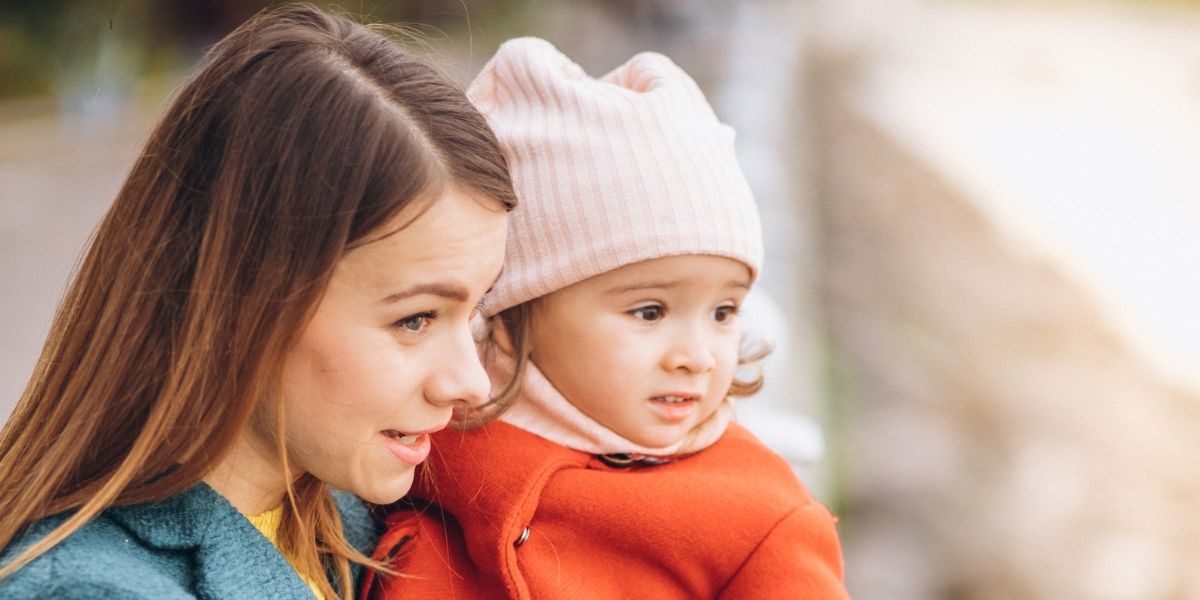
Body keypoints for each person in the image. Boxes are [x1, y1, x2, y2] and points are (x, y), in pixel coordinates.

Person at [0, 4, 517, 599]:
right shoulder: (90, 588)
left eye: (476, 310)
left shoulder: (367, 522)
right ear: (248, 302)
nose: (472, 384)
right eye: (416, 319)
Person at [368, 37, 849, 598]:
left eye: (724, 312)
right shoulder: (421, 441)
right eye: (649, 311)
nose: (695, 357)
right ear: (512, 310)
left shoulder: (758, 517)